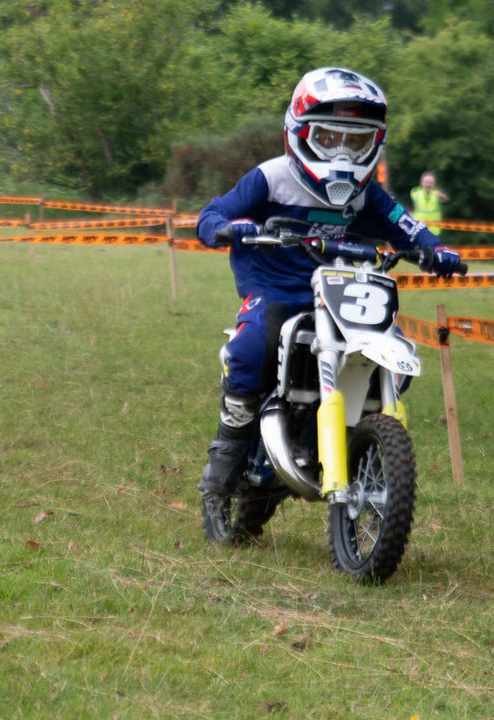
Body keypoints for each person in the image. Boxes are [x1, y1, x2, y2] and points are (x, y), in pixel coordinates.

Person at [194, 67, 463, 512]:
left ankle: (353, 434)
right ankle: (227, 450)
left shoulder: (366, 194)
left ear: (374, 143)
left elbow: (407, 226)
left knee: (395, 349)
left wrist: (436, 250)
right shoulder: (271, 177)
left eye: (355, 141)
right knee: (255, 343)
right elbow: (214, 212)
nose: (342, 151)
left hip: (341, 289)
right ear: (298, 133)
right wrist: (224, 228)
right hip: (275, 285)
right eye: (329, 137)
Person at [410, 171, 449, 235]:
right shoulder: (415, 193)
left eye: (431, 183)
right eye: (427, 182)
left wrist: (442, 196)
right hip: (419, 229)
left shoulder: (437, 193)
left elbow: (445, 199)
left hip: (434, 230)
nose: (429, 185)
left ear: (434, 184)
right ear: (421, 183)